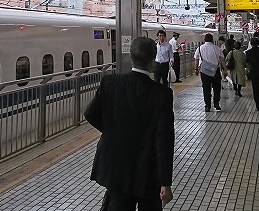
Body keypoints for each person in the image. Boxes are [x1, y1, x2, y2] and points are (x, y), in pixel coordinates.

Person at [85, 36, 174, 210]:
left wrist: (113, 130)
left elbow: (90, 114)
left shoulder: (110, 83)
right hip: (148, 170)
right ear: (153, 61)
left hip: (117, 167)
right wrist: (165, 182)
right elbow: (164, 140)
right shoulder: (162, 94)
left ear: (130, 57)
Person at [194, 33, 225, 112]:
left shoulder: (199, 48)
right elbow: (222, 60)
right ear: (212, 40)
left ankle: (207, 106)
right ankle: (216, 103)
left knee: (206, 89)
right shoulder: (217, 49)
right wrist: (225, 69)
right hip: (215, 71)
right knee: (217, 88)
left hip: (204, 72)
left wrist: (196, 69)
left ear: (204, 40)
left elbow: (196, 59)